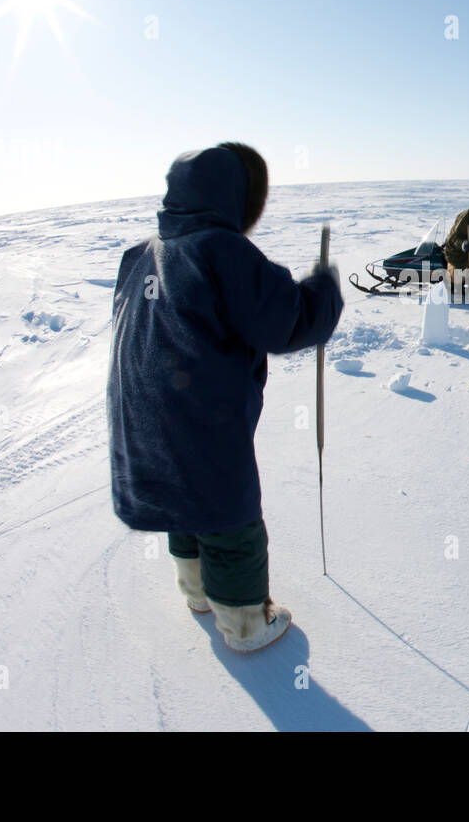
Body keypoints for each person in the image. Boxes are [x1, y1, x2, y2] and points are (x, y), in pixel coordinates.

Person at [107, 143, 344, 653]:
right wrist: (322, 292)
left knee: (184, 499)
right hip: (200, 417)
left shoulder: (142, 253)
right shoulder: (220, 250)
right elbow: (286, 322)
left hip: (142, 413)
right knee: (227, 513)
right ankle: (245, 625)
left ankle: (196, 592)